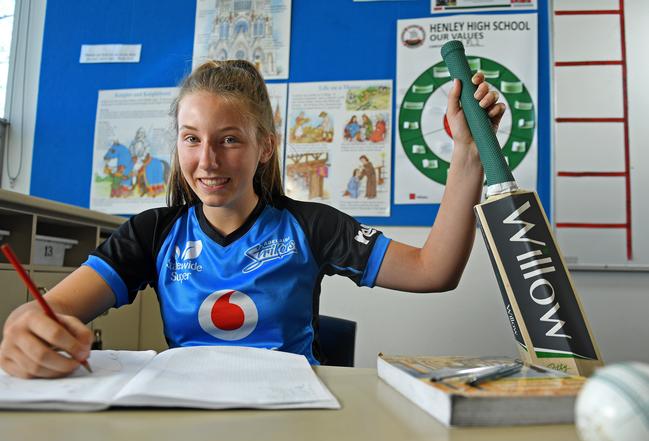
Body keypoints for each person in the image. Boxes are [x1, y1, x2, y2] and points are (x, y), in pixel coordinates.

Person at [0, 60, 504, 378]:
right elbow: (50, 311)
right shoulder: (151, 232)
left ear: (265, 146)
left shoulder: (310, 226)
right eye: (192, 138)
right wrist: (25, 329)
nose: (207, 160)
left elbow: (433, 270)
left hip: (295, 422)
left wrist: (467, 154)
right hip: (187, 418)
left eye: (229, 139)